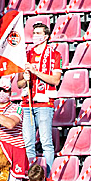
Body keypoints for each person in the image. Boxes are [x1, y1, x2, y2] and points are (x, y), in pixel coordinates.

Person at [17, 22, 63, 172]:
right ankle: (32, 175)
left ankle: (48, 176)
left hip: (44, 103)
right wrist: (25, 78)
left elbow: (55, 80)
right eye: (34, 33)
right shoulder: (26, 55)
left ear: (46, 36)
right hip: (27, 103)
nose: (35, 36)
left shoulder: (55, 55)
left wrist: (35, 72)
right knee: (28, 143)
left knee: (46, 142)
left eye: (38, 33)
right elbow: (19, 84)